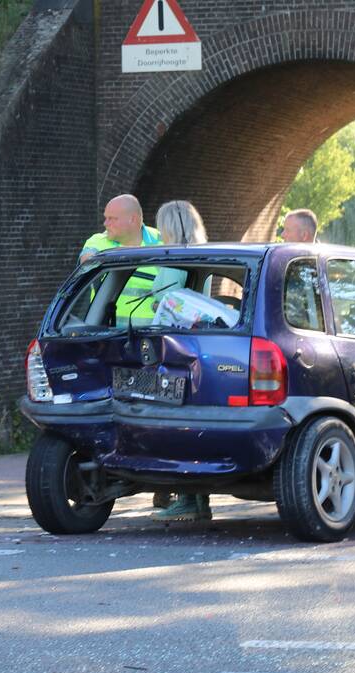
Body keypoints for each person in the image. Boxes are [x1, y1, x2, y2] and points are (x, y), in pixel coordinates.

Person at [150, 200, 213, 522]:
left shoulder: (174, 258)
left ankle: (187, 497)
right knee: (193, 420)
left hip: (173, 346)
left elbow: (165, 300)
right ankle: (197, 500)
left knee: (176, 421)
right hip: (195, 345)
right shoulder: (201, 253)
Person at [79, 194, 162, 326]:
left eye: (112, 219)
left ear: (133, 219)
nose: (105, 224)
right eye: (106, 218)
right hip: (108, 336)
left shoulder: (162, 241)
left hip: (153, 337)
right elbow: (86, 263)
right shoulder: (98, 241)